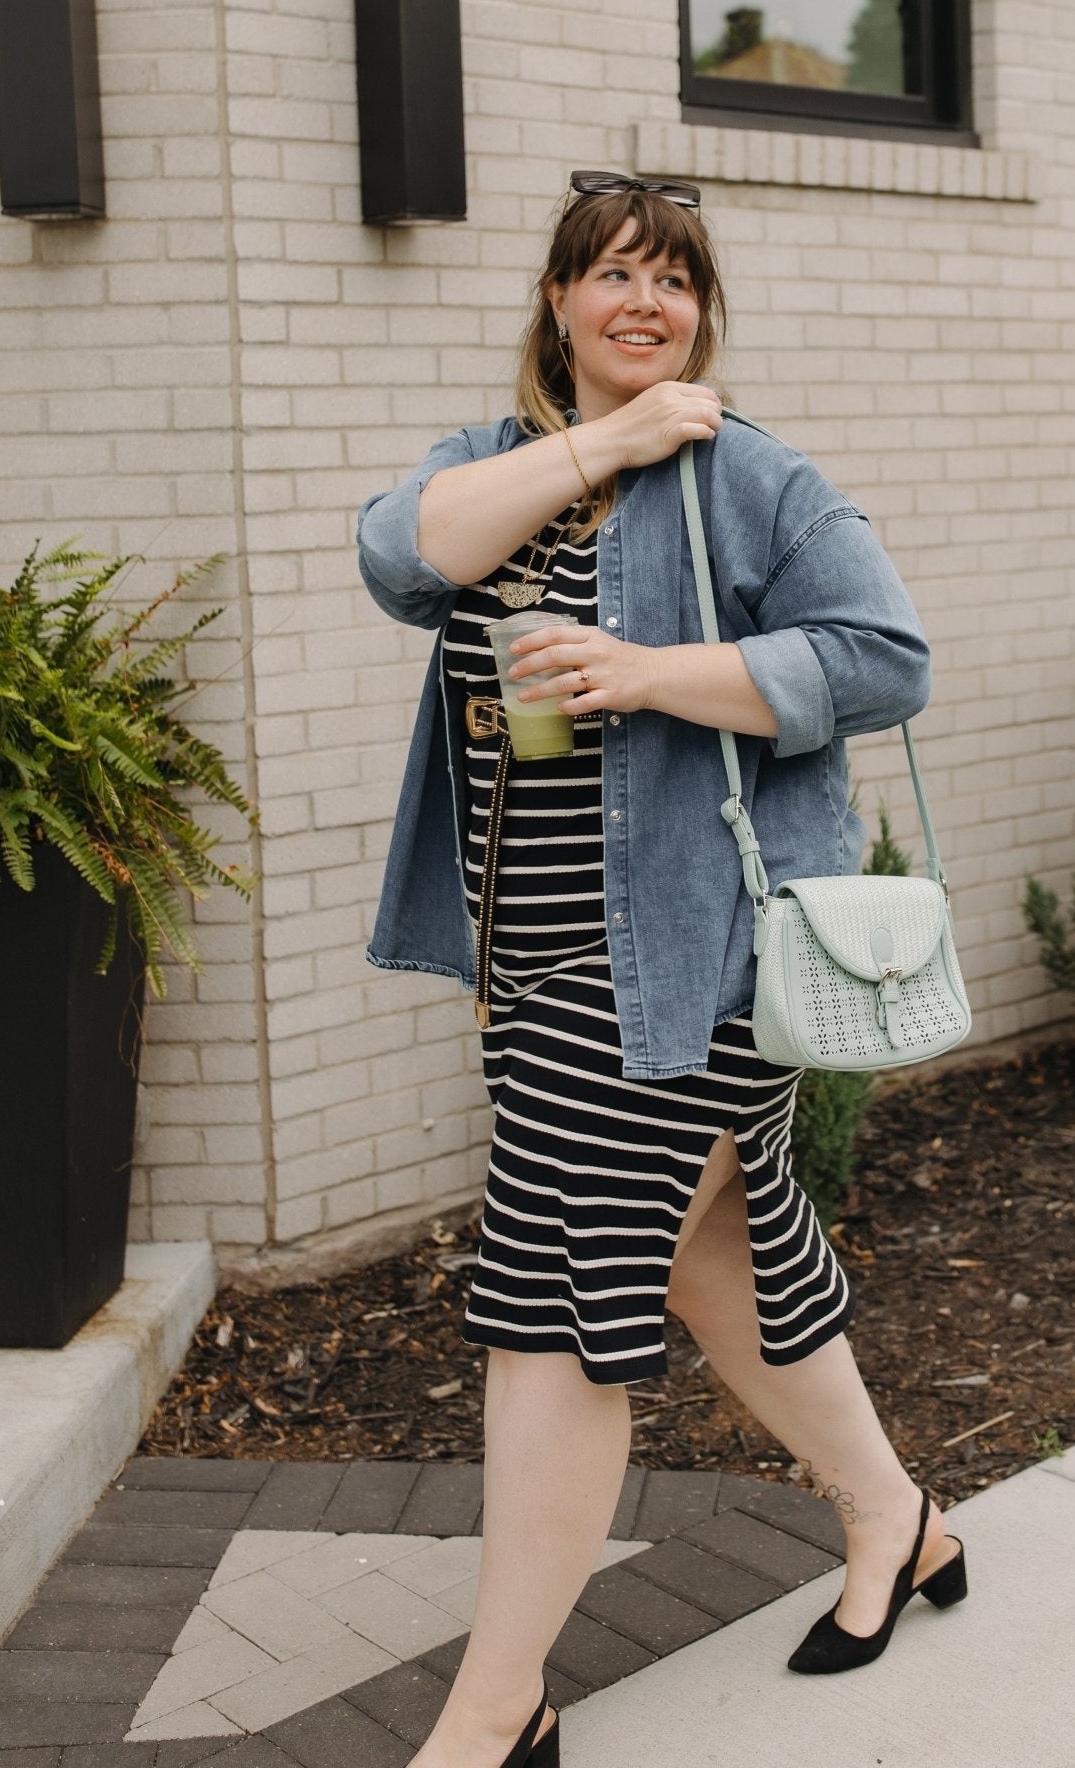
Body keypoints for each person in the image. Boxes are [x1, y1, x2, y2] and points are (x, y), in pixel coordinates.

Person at [357, 172, 968, 1768]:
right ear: (555, 303)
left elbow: (883, 654)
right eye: (610, 274)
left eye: (672, 280)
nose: (644, 301)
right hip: (535, 957)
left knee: (550, 1311)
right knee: (717, 1264)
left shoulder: (751, 474)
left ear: (703, 313)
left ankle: (498, 1708)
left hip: (689, 966)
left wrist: (651, 673)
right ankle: (896, 1520)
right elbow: (401, 559)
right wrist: (604, 439)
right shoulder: (492, 468)